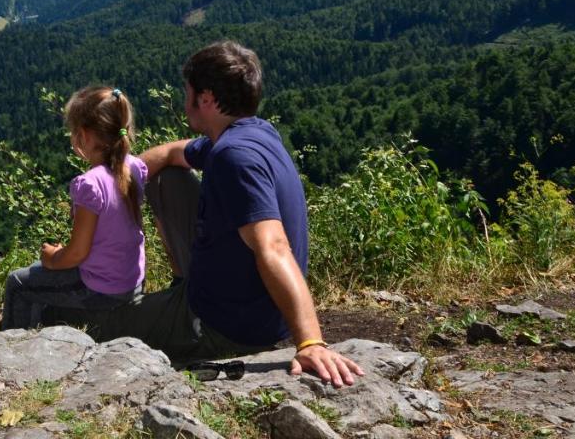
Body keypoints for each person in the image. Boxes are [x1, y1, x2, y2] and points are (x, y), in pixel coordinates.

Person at [49, 41, 364, 388]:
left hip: (224, 323)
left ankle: (181, 319)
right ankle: (183, 286)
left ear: (207, 99)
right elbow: (170, 154)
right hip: (238, 299)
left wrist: (310, 342)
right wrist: (118, 180)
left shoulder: (234, 158)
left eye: (188, 92)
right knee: (167, 179)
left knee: (89, 322)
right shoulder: (248, 134)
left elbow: (273, 246)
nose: (185, 101)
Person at [0, 86, 147, 330]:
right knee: (36, 276)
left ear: (85, 135)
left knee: (17, 282)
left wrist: (52, 257)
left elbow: (77, 253)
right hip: (131, 281)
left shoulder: (89, 184)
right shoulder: (135, 167)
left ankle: (10, 352)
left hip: (101, 289)